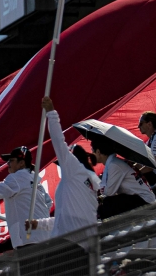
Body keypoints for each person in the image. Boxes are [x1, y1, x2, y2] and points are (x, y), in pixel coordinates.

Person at [37, 97, 100, 236]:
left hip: (70, 241)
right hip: (86, 240)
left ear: (73, 158)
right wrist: (38, 224)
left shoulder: (74, 169)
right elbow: (66, 218)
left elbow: (58, 141)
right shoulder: (91, 180)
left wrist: (51, 113)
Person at [93, 134, 154, 219]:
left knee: (107, 203)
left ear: (98, 152)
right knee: (107, 202)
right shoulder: (114, 162)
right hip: (139, 197)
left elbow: (109, 192)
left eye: (93, 151)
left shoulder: (114, 165)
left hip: (144, 199)